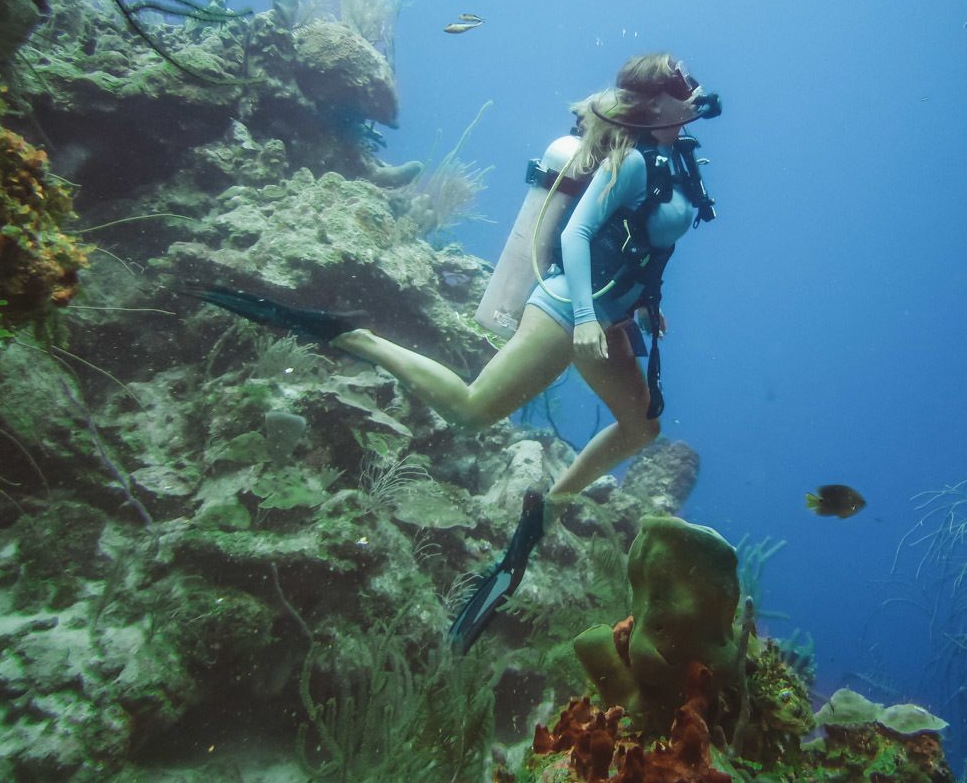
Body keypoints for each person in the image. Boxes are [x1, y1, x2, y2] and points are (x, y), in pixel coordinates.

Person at [189, 52, 721, 650]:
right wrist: (585, 318)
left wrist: (644, 304)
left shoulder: (676, 158)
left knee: (641, 426)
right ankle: (352, 337)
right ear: (654, 104)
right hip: (568, 311)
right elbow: (576, 234)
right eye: (682, 86)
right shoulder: (627, 162)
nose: (695, 91)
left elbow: (641, 241)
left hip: (608, 316)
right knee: (470, 412)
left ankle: (544, 510)